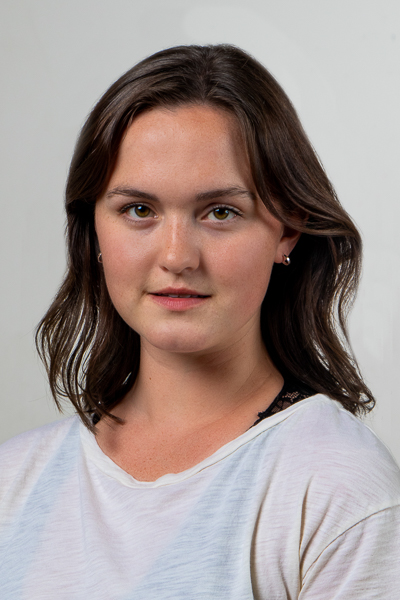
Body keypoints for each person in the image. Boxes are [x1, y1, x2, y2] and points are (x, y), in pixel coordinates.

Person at [1, 44, 399, 599]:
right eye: (139, 210)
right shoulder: (12, 481)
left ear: (286, 231)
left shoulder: (339, 491)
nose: (176, 257)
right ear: (94, 232)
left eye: (220, 212)